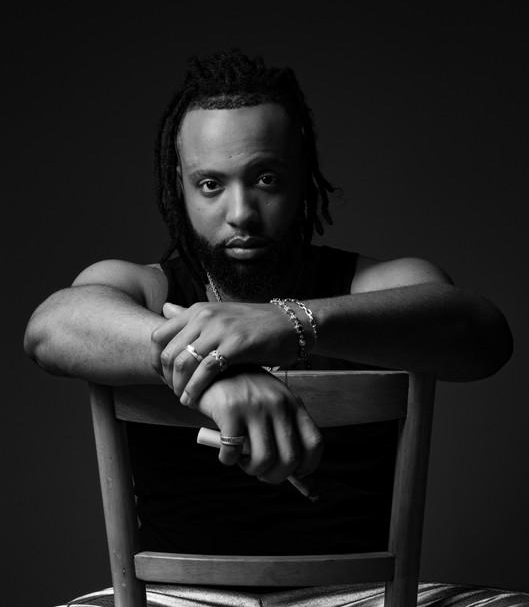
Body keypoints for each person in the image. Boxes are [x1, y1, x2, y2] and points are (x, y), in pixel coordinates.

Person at [24, 50, 512, 557]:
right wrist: (217, 369)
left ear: (302, 174)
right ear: (180, 186)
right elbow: (50, 329)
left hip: (367, 590)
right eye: (210, 185)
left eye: (266, 179)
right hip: (170, 593)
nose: (241, 213)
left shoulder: (377, 284)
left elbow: (481, 336)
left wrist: (288, 323)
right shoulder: (146, 289)